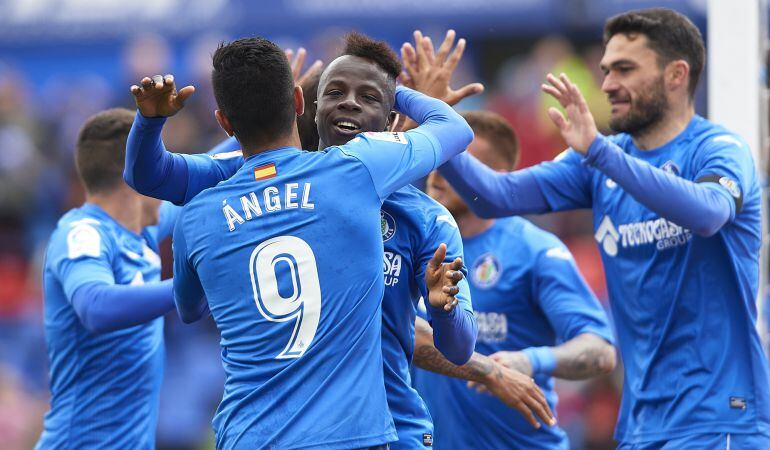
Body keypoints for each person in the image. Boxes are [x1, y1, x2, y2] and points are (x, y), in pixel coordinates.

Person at [124, 32, 553, 448]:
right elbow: (158, 175)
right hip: (340, 433)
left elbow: (455, 344)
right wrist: (396, 90)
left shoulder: (425, 217)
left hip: (389, 427)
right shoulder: (315, 175)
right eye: (334, 92)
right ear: (305, 106)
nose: (349, 102)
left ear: (389, 122)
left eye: (369, 97)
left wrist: (445, 314)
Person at [438, 8, 770, 449]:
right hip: (639, 426)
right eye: (606, 70)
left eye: (625, 69)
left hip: (719, 422)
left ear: (676, 74)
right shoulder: (597, 160)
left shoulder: (719, 150)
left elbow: (708, 213)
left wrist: (600, 152)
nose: (608, 83)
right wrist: (435, 121)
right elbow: (496, 196)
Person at [412, 110, 616, 450]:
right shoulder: (411, 246)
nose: (439, 173)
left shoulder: (534, 250)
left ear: (492, 178)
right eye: (438, 160)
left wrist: (531, 360)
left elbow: (601, 350)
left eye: (457, 163)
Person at [37, 108, 178, 449]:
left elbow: (209, 171)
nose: (171, 172)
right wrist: (185, 288)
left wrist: (255, 122)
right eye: (162, 163)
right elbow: (96, 307)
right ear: (139, 172)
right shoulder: (82, 233)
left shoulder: (141, 229)